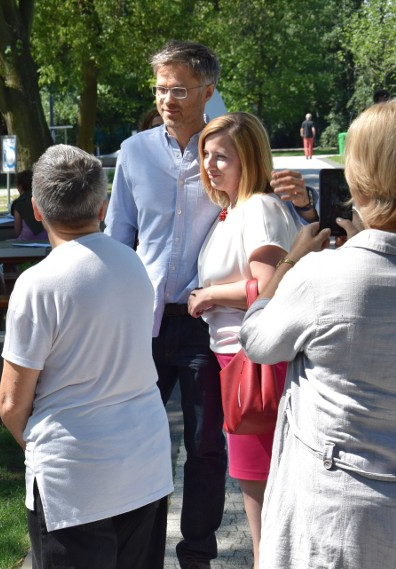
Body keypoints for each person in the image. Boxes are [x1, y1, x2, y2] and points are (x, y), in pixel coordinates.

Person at [103, 40, 315, 569]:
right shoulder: (134, 152)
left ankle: (196, 555)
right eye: (159, 88)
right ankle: (141, 554)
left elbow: (278, 218)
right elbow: (117, 236)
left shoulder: (228, 151)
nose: (167, 99)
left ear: (207, 91)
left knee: (204, 448)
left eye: (178, 89)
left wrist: (306, 199)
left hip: (206, 328)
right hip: (145, 324)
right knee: (139, 444)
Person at [239, 100, 396, 569]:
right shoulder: (343, 271)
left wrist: (290, 263)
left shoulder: (327, 275)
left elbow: (258, 339)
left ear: (358, 175)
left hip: (338, 509)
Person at [0, 145, 172, 568]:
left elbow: (10, 403)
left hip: (74, 477)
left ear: (36, 210)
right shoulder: (132, 263)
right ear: (104, 205)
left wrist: (40, 444)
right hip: (145, 459)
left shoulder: (37, 284)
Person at [186, 112, 297, 569]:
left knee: (261, 489)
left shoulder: (260, 209)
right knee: (254, 486)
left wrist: (210, 294)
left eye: (222, 157)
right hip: (233, 356)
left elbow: (270, 286)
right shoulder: (232, 209)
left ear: (247, 159)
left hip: (254, 360)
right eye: (206, 155)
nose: (210, 165)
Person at [10, 169, 48, 241]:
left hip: (26, 241)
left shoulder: (19, 203)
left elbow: (17, 232)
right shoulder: (44, 199)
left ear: (20, 187)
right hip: (46, 240)